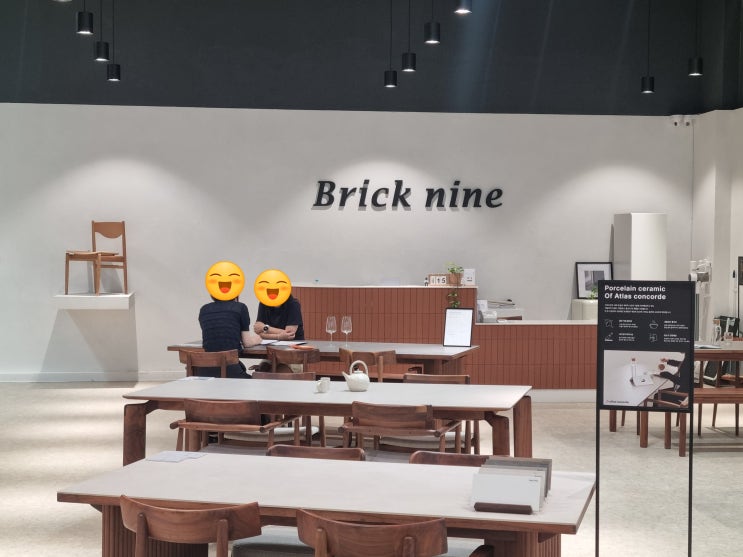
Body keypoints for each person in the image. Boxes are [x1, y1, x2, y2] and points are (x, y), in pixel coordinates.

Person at [198, 295, 262, 378]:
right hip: (230, 371)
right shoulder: (240, 307)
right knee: (257, 382)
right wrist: (258, 339)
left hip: (205, 372)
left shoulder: (204, 309)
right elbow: (247, 343)